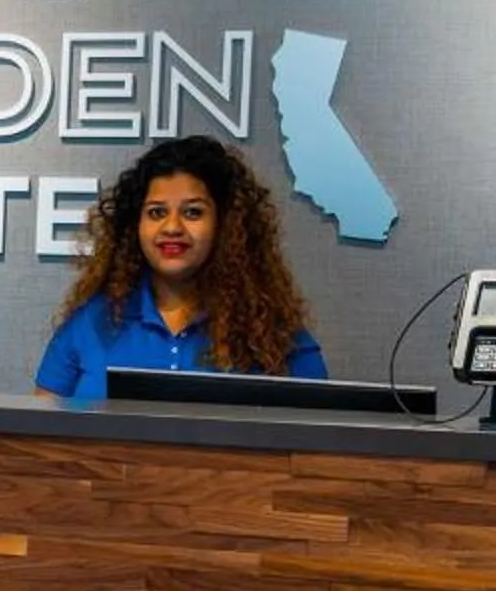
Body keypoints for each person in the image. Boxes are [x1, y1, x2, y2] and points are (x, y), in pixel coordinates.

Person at [35, 135, 328, 399]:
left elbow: (316, 437)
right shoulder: (92, 321)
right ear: (135, 225)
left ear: (226, 225)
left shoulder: (275, 336)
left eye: (192, 212)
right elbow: (40, 432)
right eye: (156, 212)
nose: (172, 227)